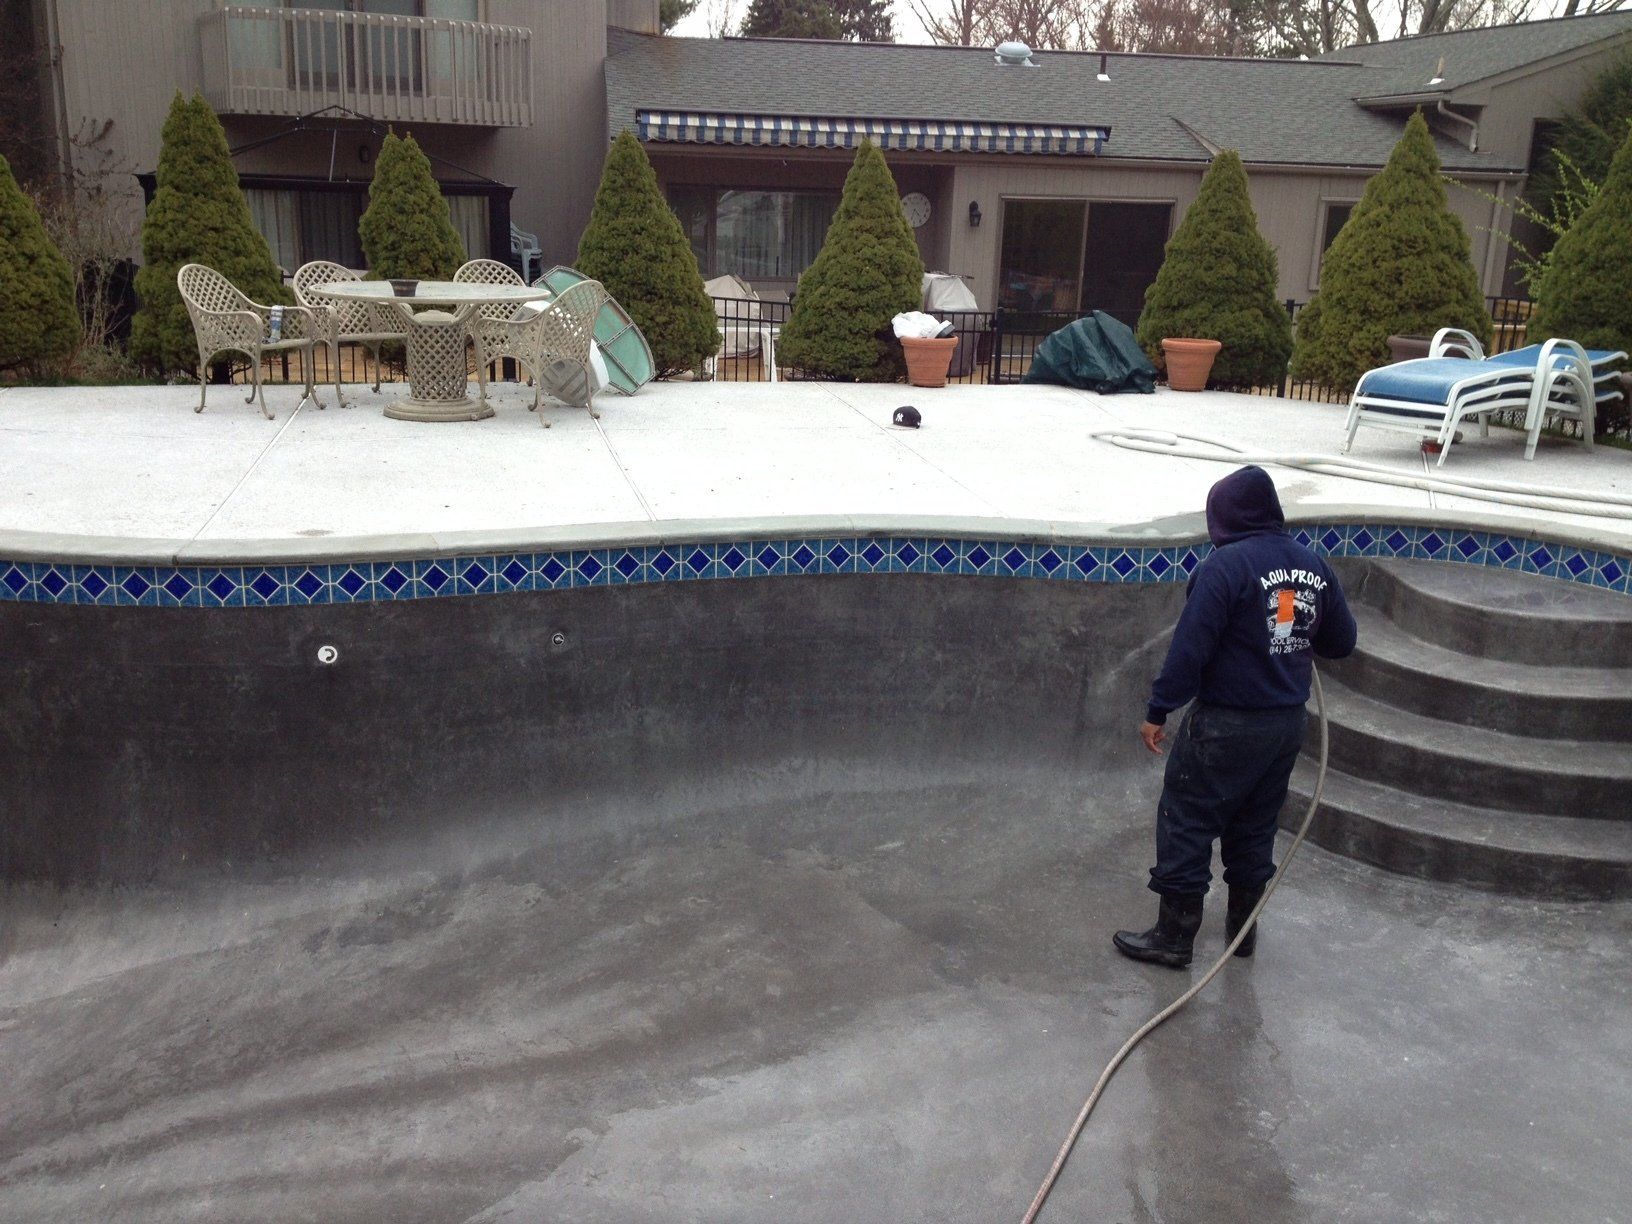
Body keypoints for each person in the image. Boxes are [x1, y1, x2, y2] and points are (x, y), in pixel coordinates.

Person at [1114, 465, 1357, 969]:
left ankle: (1174, 937)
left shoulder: (1223, 567)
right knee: (1255, 824)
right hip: (1285, 725)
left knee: (1187, 820)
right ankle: (1242, 934)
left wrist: (1158, 710)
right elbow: (1342, 642)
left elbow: (1190, 649)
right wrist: (1290, 638)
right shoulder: (1314, 565)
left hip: (1226, 726)